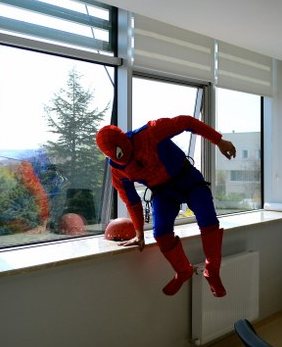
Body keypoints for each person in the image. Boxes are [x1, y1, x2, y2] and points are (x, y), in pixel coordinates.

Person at [96, 115, 236, 297]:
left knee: (208, 218)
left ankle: (213, 270)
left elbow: (187, 122)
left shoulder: (151, 132)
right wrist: (139, 233)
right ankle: (183, 271)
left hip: (187, 178)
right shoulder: (117, 171)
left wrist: (219, 141)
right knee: (161, 233)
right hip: (162, 191)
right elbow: (132, 201)